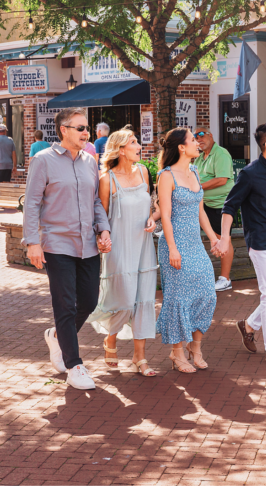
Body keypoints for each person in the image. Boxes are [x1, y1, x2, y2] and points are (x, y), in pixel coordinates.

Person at [23, 108, 111, 390]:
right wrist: (32, 242)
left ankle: (58, 337)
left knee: (89, 301)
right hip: (56, 243)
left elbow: (96, 200)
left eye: (87, 128)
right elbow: (32, 203)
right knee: (64, 303)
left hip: (87, 244)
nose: (86, 133)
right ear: (63, 129)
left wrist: (104, 228)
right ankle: (74, 365)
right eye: (80, 128)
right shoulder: (43, 160)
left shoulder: (89, 161)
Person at [219, 122, 266, 367]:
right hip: (260, 243)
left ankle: (249, 325)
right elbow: (229, 206)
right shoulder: (249, 173)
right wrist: (224, 237)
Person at [87, 127, 160, 377]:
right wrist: (101, 237)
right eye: (134, 142)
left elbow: (150, 204)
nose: (139, 146)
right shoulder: (107, 180)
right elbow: (101, 215)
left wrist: (152, 218)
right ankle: (111, 339)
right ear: (120, 150)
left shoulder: (143, 172)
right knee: (125, 300)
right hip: (119, 247)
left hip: (143, 245)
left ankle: (140, 357)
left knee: (143, 301)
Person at [155, 128, 223, 373]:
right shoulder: (166, 176)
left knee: (207, 294)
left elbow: (201, 211)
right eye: (193, 140)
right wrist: (172, 248)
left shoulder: (194, 171)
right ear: (182, 148)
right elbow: (165, 215)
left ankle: (196, 348)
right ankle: (176, 352)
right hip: (174, 244)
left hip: (196, 244)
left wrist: (214, 239)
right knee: (177, 298)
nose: (198, 142)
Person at [193, 128, 236, 291]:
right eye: (196, 137)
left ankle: (225, 279)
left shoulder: (221, 153)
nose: (199, 139)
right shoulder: (199, 157)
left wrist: (197, 187)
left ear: (211, 135)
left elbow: (222, 180)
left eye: (202, 135)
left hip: (220, 204)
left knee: (223, 239)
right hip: (203, 204)